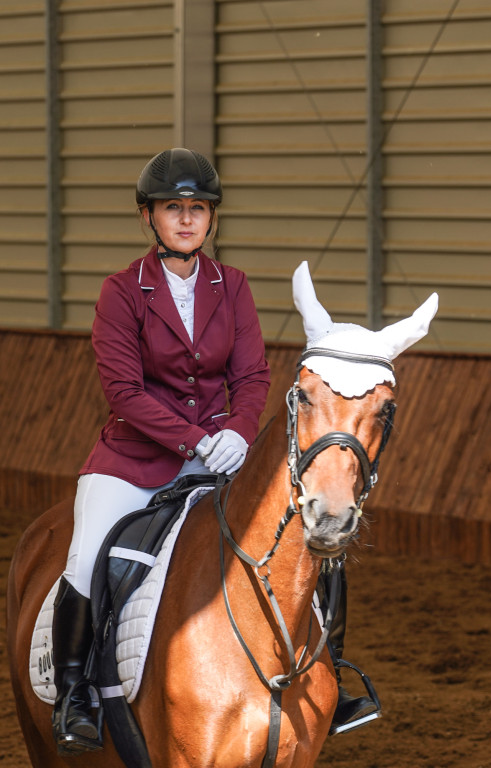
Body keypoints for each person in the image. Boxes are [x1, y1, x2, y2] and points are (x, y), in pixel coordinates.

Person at [51, 148, 272, 754]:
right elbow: (122, 391)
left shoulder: (235, 287)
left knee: (298, 532)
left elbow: (253, 377)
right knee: (86, 550)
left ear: (211, 220)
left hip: (220, 455)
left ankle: (328, 671)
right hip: (136, 459)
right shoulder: (122, 291)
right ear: (149, 217)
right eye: (173, 208)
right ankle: (74, 693)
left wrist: (240, 433)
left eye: (197, 209)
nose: (186, 219)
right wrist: (195, 438)